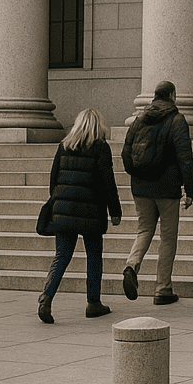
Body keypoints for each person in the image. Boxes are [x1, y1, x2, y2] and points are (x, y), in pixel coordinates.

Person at [38, 108, 122, 324]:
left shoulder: (64, 146)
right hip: (91, 212)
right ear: (98, 126)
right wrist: (115, 211)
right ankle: (93, 302)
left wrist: (59, 201)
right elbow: (107, 183)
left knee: (61, 256)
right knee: (94, 257)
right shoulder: (100, 148)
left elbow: (53, 178)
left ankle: (46, 298)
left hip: (64, 211)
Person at [120, 80, 193, 306]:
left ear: (155, 96)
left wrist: (136, 174)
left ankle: (131, 265)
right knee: (168, 238)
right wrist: (190, 188)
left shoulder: (139, 119)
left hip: (141, 188)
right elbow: (185, 156)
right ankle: (163, 288)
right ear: (172, 95)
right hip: (167, 188)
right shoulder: (176, 119)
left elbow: (125, 153)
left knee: (144, 229)